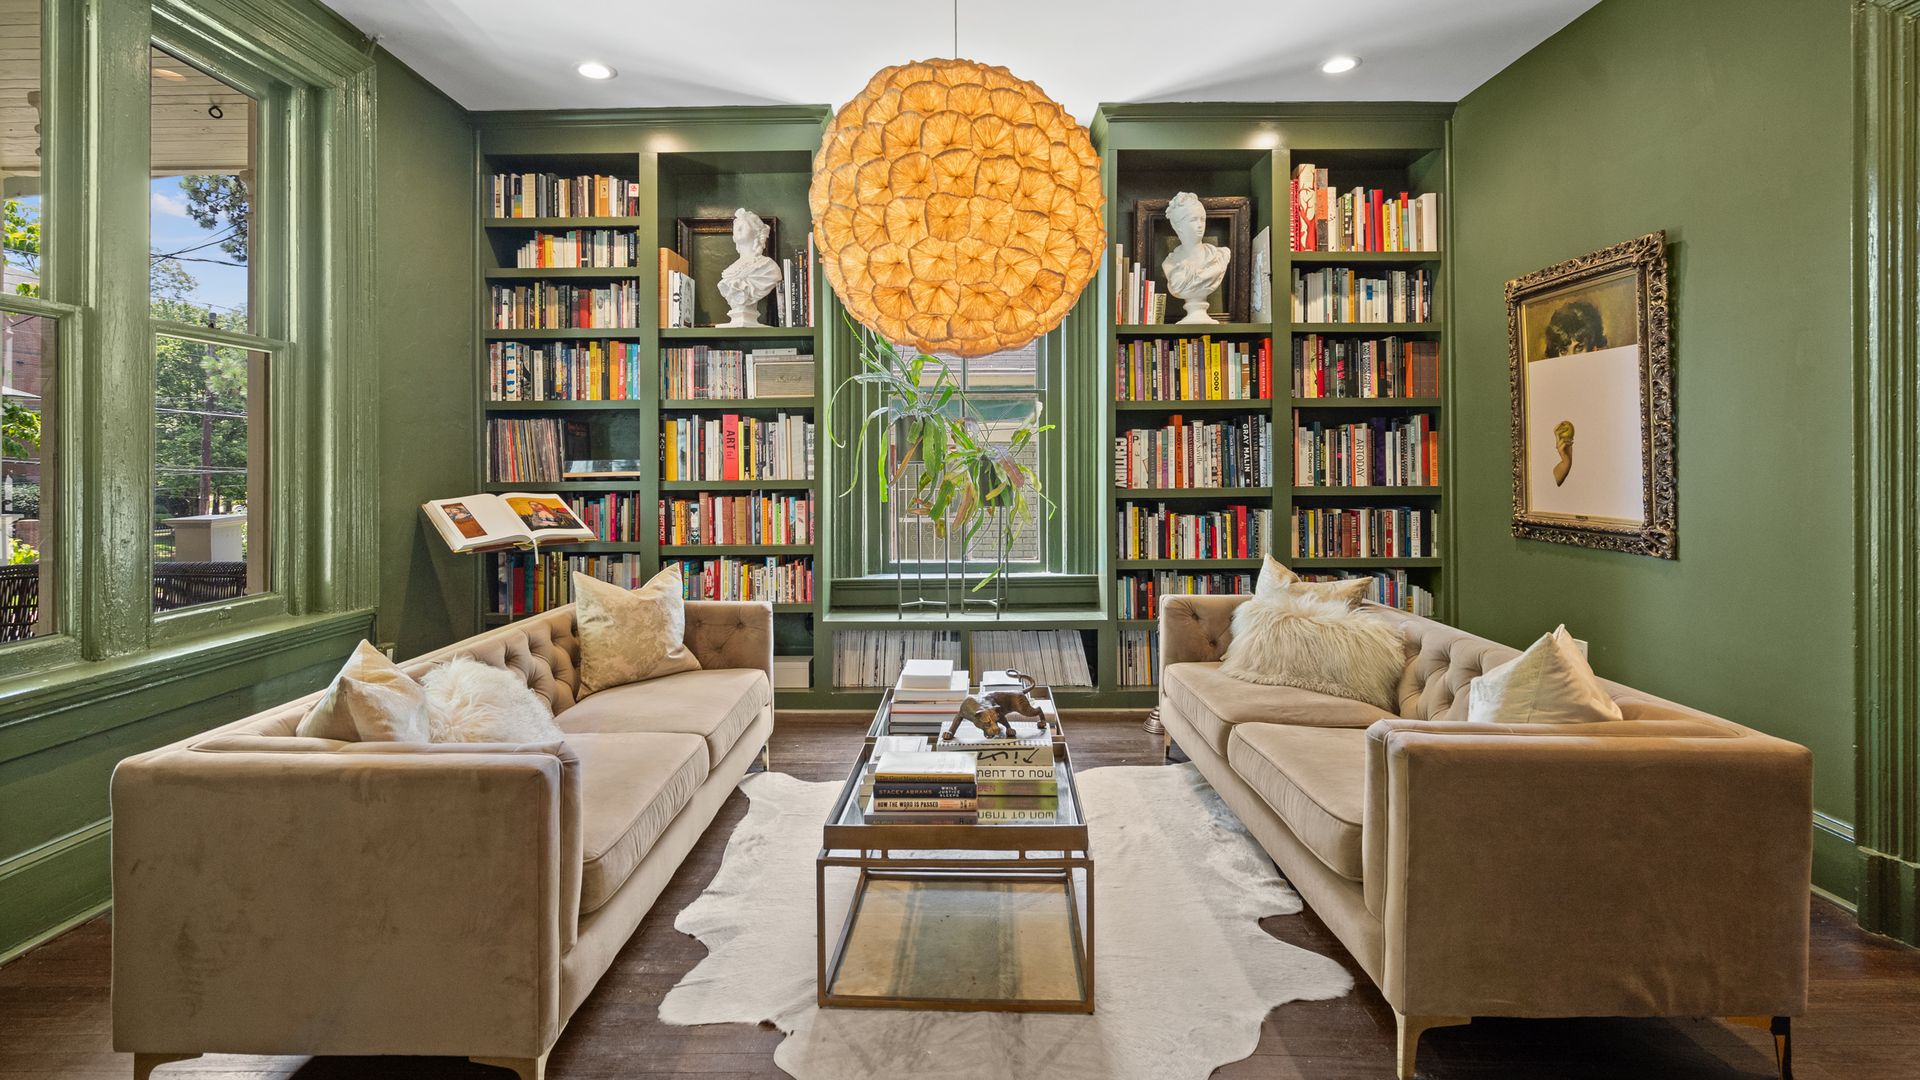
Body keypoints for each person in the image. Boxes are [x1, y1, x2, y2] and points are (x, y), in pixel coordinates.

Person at [1161, 191, 1232, 324]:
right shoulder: (1170, 264)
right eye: (1193, 220)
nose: (1200, 225)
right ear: (1177, 225)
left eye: (1202, 219)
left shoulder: (1220, 256)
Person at [717, 208, 782, 328]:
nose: (738, 229)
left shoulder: (768, 267)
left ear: (756, 233)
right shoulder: (731, 269)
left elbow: (774, 277)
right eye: (736, 227)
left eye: (744, 226)